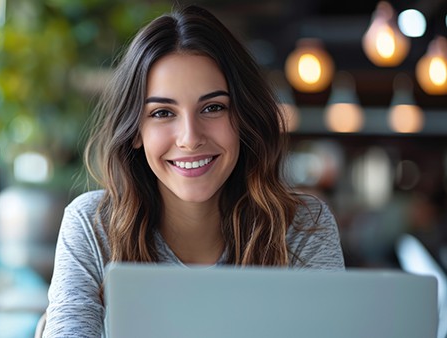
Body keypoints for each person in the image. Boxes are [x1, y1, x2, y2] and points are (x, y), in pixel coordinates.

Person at [43, 4, 344, 337]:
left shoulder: (302, 228)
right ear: (135, 132)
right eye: (162, 113)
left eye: (213, 107)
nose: (190, 138)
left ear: (244, 119)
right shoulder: (92, 226)